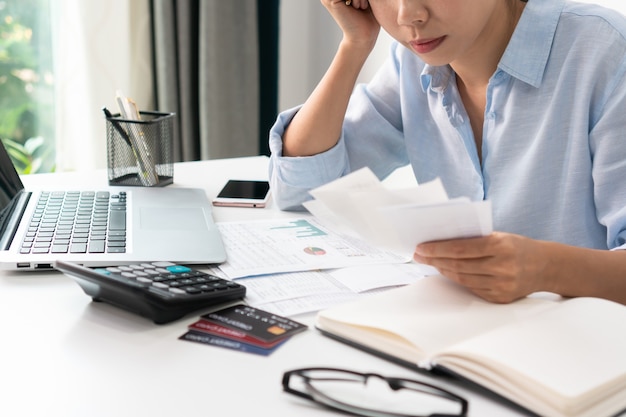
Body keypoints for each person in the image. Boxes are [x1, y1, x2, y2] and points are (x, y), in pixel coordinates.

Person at [268, 0, 626, 305]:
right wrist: (354, 45)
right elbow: (302, 188)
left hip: (586, 349)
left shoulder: (603, 52)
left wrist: (546, 268)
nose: (409, 15)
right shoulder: (412, 62)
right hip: (463, 334)